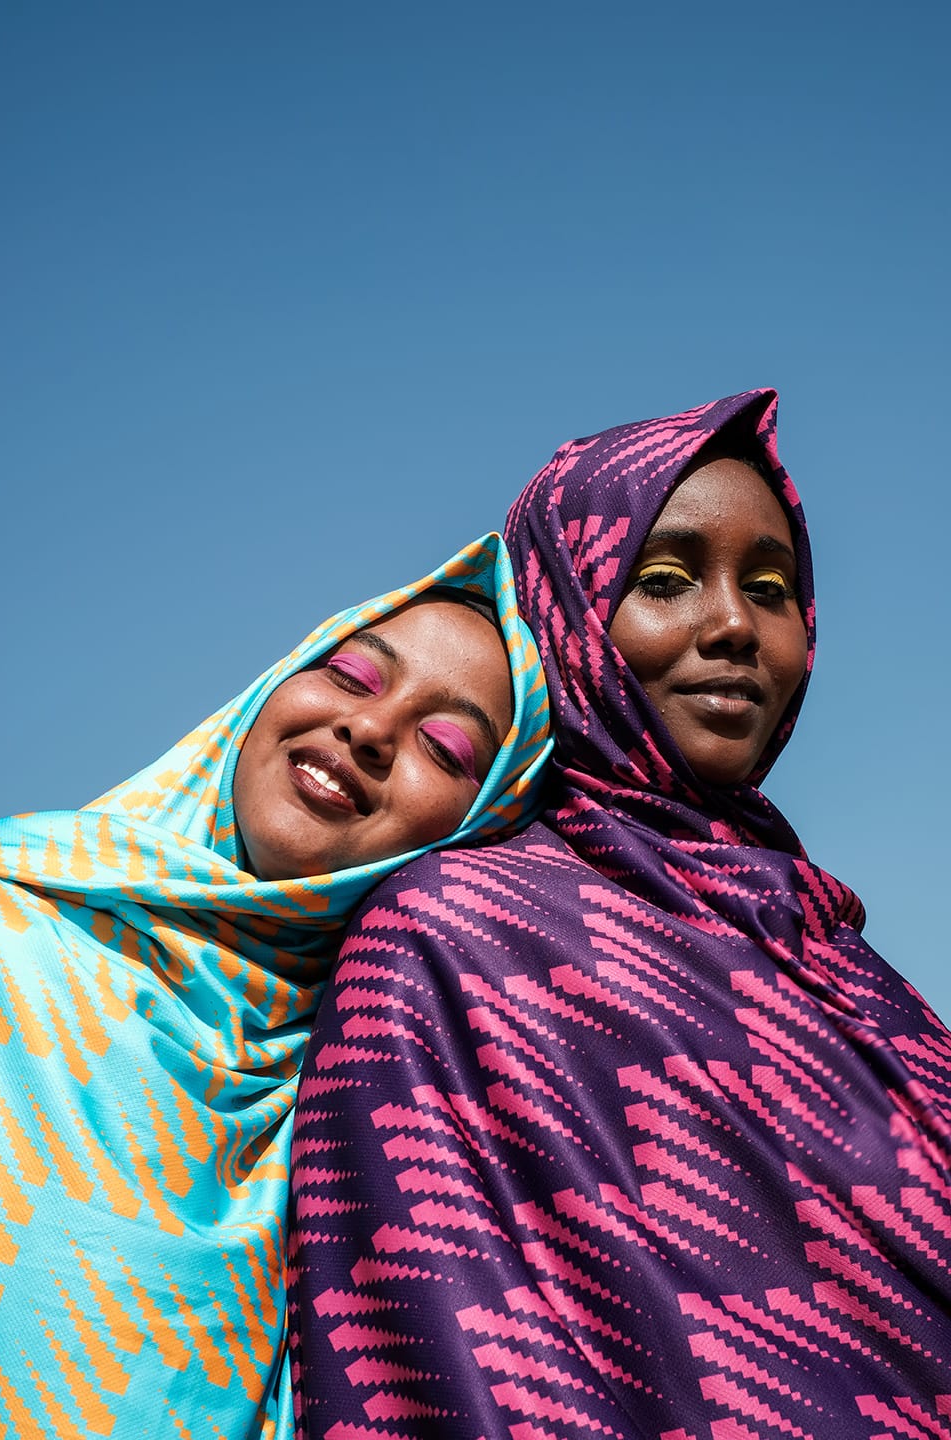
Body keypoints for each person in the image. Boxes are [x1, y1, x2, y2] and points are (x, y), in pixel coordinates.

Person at [288, 390, 951, 1438]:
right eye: (664, 580)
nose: (733, 624)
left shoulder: (841, 964)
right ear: (566, 609)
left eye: (771, 590)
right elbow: (429, 1352)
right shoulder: (454, 942)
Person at [0, 533, 550, 1440]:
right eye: (353, 678)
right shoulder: (10, 923)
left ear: (479, 832)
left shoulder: (381, 1129)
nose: (367, 730)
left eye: (444, 747)